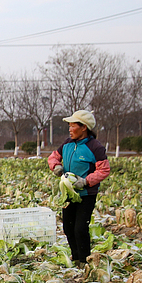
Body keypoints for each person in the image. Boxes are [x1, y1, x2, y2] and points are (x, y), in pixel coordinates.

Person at [47, 110, 110, 266]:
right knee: (68, 228)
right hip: (68, 193)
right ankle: (76, 258)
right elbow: (53, 156)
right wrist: (56, 166)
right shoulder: (67, 144)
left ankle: (85, 260)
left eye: (73, 126)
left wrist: (86, 181)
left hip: (86, 194)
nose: (70, 129)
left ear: (84, 128)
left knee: (80, 228)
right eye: (69, 125)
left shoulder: (95, 147)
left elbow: (104, 170)